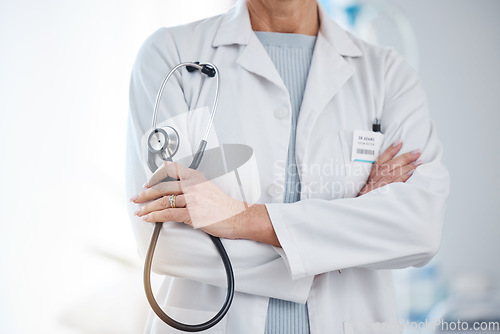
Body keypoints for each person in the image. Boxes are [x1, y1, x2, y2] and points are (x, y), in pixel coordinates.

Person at [126, 0, 450, 333]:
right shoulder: (170, 55)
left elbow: (419, 227)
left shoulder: (387, 73)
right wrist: (342, 241)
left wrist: (237, 217)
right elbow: (165, 242)